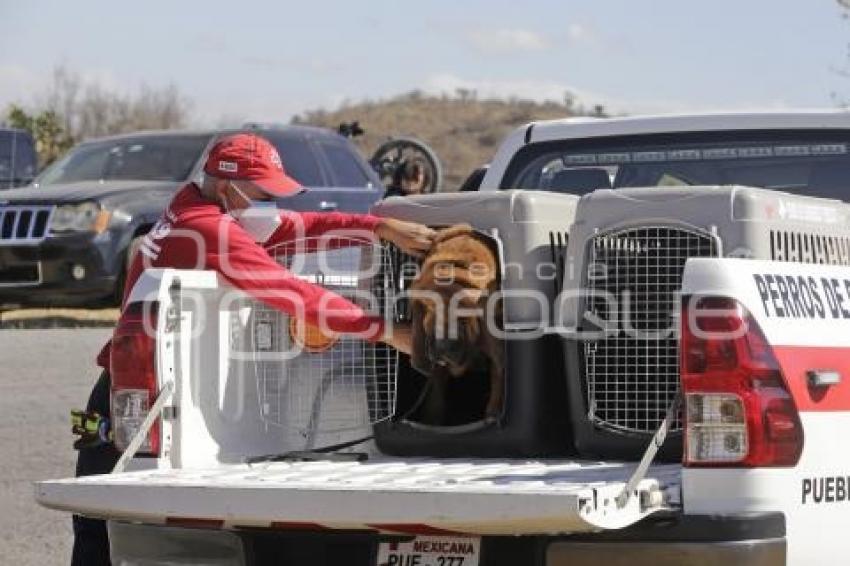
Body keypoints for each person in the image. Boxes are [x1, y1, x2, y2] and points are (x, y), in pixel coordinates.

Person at [71, 133, 435, 566]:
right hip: (128, 402)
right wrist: (387, 331)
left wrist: (377, 227)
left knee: (94, 524)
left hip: (123, 389)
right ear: (229, 187)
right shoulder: (209, 230)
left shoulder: (192, 202)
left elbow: (294, 228)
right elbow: (292, 292)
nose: (271, 202)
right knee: (97, 535)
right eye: (264, 192)